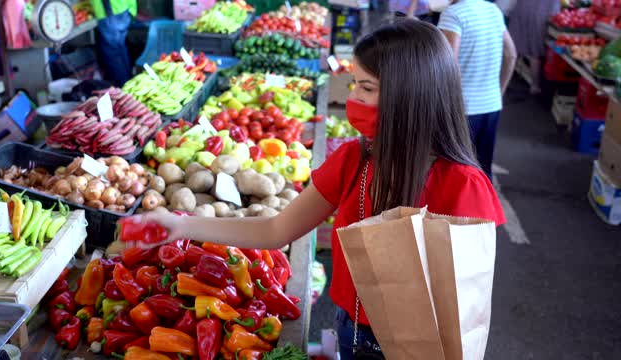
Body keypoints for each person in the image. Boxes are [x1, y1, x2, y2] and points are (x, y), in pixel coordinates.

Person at [136, 19, 506, 359]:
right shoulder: (353, 160)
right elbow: (276, 229)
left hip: (423, 347)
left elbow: (466, 297)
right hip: (352, 333)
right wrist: (182, 225)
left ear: (409, 94)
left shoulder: (463, 186)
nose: (352, 98)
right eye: (354, 83)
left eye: (366, 87)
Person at [438, 0, 517, 180]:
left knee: (457, 171)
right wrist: (499, 92)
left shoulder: (453, 14)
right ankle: (483, 207)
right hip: (491, 105)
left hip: (462, 109)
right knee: (482, 170)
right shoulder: (493, 10)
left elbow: (450, 65)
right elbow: (511, 54)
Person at [508, 0, 561, 94]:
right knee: (534, 53)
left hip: (522, 8)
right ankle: (534, 86)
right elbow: (554, 12)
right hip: (539, 15)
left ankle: (503, 81)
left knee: (513, 49)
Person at [91, 0, 136, 87]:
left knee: (113, 52)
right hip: (123, 7)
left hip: (110, 13)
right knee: (120, 48)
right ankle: (130, 84)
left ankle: (123, 87)